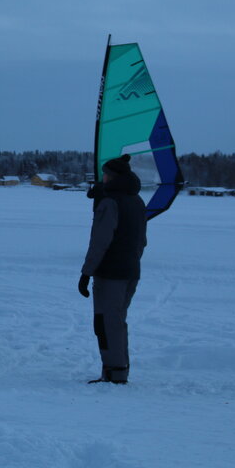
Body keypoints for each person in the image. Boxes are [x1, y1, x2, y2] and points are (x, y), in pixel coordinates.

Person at [78, 154, 147, 384]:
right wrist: (130, 262)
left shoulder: (111, 202)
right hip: (130, 271)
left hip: (110, 274)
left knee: (107, 323)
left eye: (105, 174)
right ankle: (117, 369)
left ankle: (115, 373)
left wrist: (86, 273)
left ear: (112, 176)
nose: (103, 178)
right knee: (117, 321)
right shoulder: (136, 200)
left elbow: (100, 241)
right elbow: (141, 242)